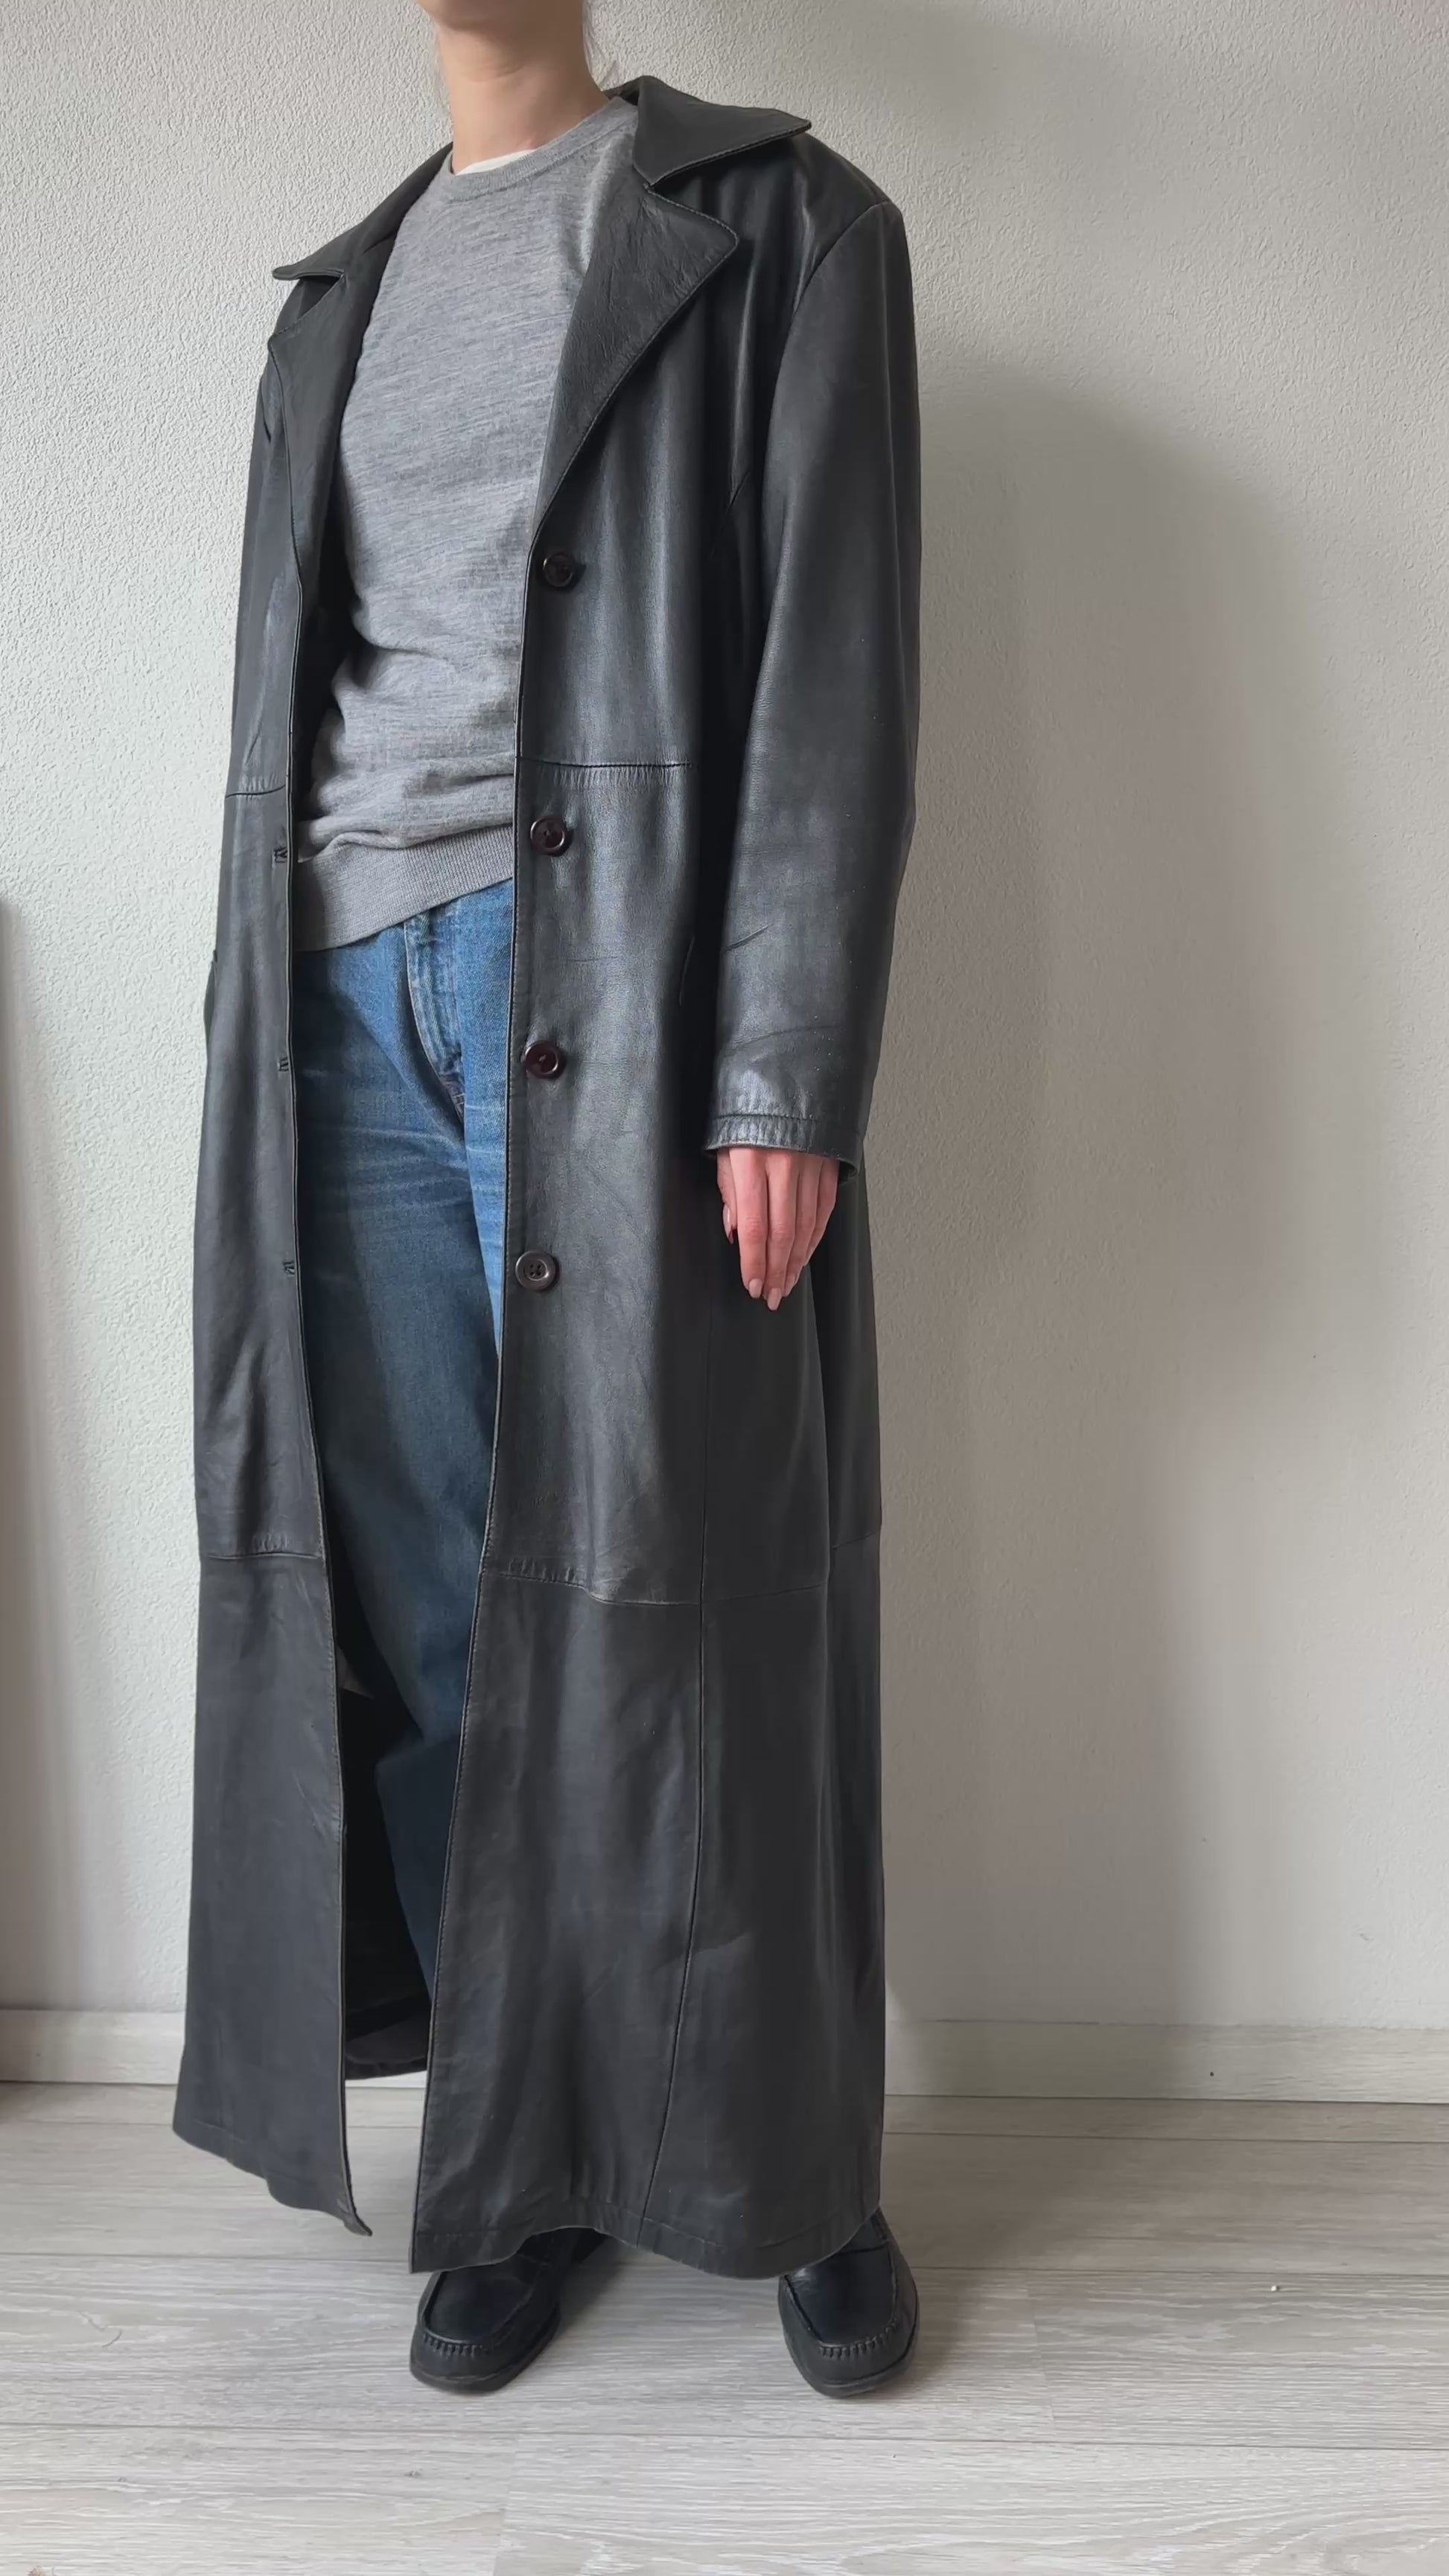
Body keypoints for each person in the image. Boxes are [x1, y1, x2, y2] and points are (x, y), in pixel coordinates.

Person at [177, 0, 922, 2401]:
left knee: (703, 1582)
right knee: (433, 1609)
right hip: (335, 995)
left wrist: (781, 1056)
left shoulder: (783, 224)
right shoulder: (337, 293)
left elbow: (832, 662)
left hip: (612, 973)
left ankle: (796, 2163)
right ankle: (528, 2169)